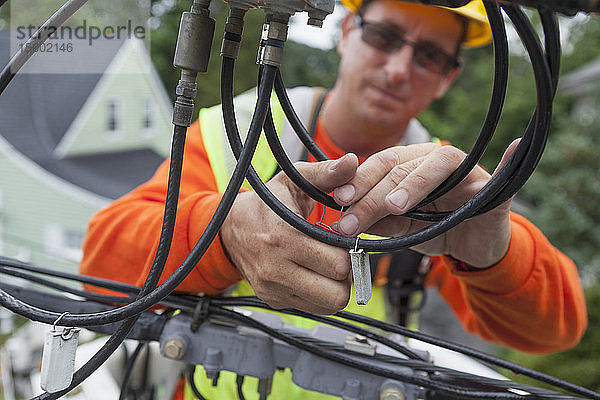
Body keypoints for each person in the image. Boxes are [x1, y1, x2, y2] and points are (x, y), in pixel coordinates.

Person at [80, 0, 587, 398]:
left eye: (430, 56)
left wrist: (496, 255)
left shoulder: (445, 185)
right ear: (346, 32)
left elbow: (554, 332)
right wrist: (225, 234)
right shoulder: (237, 132)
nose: (397, 69)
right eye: (384, 37)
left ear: (448, 78)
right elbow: (100, 263)